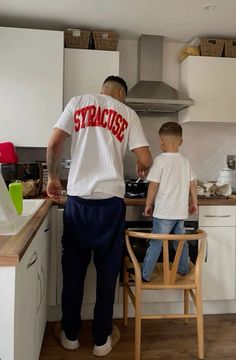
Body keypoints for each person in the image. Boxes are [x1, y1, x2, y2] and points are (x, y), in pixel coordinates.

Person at [46, 75, 152, 357]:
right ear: (120, 92)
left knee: (73, 270)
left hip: (79, 202)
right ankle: (102, 341)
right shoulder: (127, 112)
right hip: (111, 205)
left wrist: (53, 178)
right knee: (107, 273)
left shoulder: (78, 102)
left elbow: (54, 143)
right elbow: (146, 158)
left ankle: (69, 335)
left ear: (102, 90)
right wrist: (141, 167)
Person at [141, 121, 197, 282]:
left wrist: (148, 204)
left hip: (164, 212)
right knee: (180, 243)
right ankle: (183, 269)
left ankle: (145, 274)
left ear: (161, 142)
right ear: (181, 141)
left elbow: (153, 185)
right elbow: (192, 183)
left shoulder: (160, 160)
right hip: (180, 213)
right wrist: (194, 202)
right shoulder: (185, 161)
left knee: (156, 243)